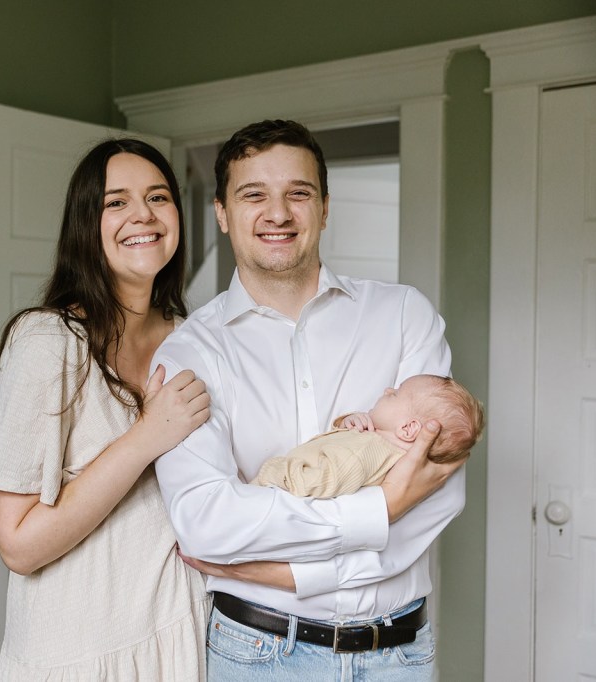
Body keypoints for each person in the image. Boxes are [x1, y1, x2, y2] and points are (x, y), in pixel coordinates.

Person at [151, 119, 468, 680]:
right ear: (222, 213)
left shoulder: (402, 316)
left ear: (324, 207)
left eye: (298, 193)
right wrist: (379, 509)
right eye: (254, 195)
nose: (278, 214)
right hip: (258, 655)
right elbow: (205, 522)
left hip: (399, 655)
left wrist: (283, 573)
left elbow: (439, 490)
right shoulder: (189, 354)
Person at [0, 138, 212, 680]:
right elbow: (18, 544)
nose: (143, 215)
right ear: (86, 223)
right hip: (80, 652)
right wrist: (147, 436)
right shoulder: (48, 341)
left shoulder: (194, 340)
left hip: (186, 634)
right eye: (116, 202)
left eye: (158, 197)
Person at [254, 374, 485, 497]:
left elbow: (316, 483)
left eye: (396, 394)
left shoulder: (365, 452)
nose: (387, 390)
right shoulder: (374, 445)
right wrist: (348, 424)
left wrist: (272, 470)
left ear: (407, 429)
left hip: (273, 489)